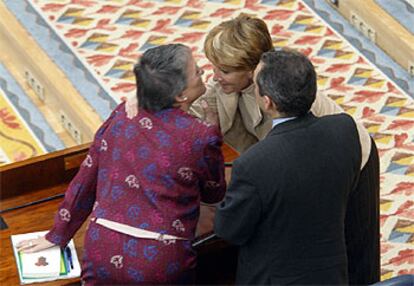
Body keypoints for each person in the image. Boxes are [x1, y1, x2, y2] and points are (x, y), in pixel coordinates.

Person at [126, 14, 380, 284]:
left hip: (348, 159)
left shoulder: (291, 99)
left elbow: (301, 161)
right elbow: (198, 104)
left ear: (254, 70)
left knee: (354, 251)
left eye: (224, 70)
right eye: (213, 66)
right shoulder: (230, 85)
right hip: (297, 164)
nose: (215, 76)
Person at [16, 44, 226, 285]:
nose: (203, 73)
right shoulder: (202, 134)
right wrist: (214, 132)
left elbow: (86, 177)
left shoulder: (123, 114)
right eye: (198, 71)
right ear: (180, 96)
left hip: (102, 249)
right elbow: (213, 193)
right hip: (161, 261)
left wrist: (58, 234)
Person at [214, 49, 362, 285]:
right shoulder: (345, 129)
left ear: (267, 101)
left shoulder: (253, 164)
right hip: (331, 275)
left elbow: (229, 230)